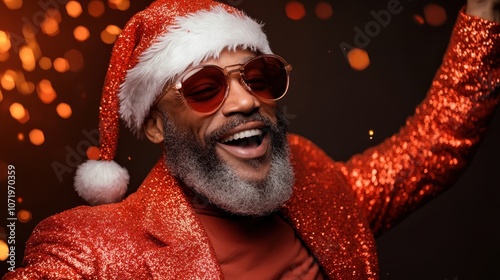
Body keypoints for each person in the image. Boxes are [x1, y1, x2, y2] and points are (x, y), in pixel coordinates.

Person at [4, 0, 499, 279]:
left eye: (258, 78)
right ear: (155, 125)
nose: (245, 103)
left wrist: (484, 13)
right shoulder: (90, 246)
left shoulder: (316, 183)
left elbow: (432, 146)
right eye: (204, 88)